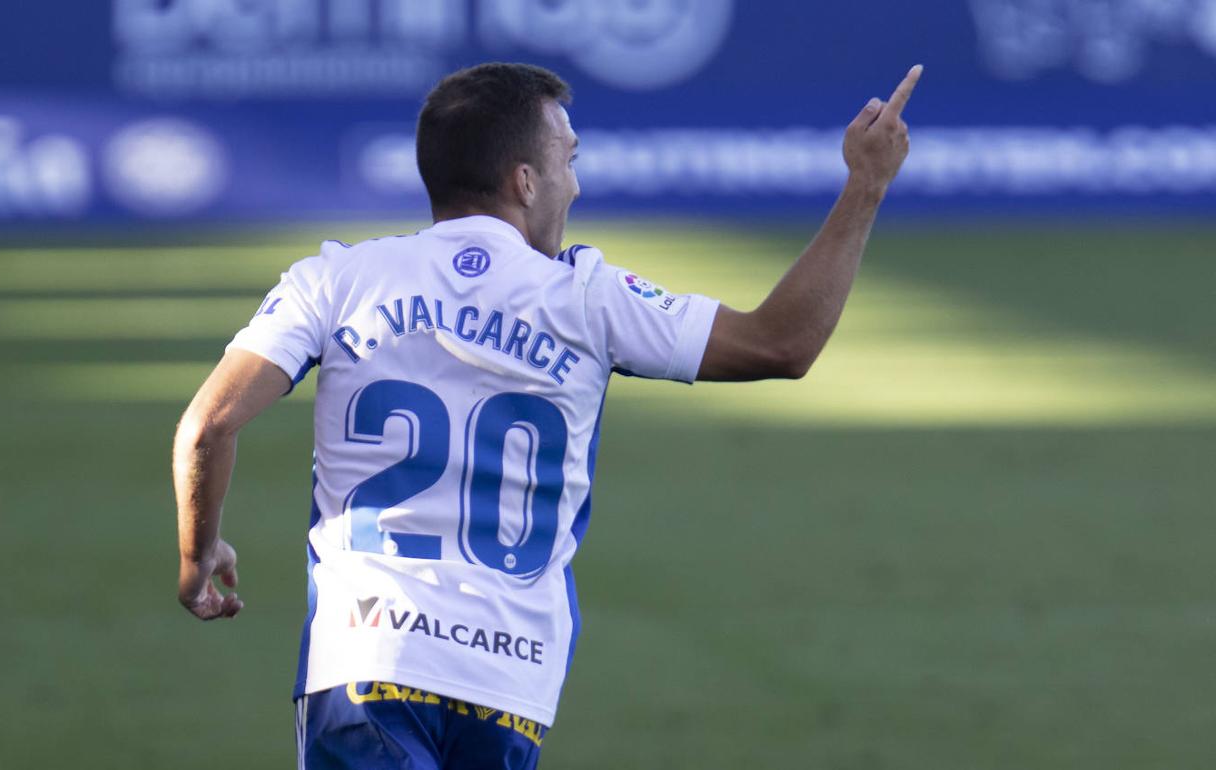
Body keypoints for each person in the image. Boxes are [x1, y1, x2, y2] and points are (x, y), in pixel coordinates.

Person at [172, 61, 921, 769]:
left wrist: (195, 555)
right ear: (524, 181)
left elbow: (209, 425)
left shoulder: (335, 280)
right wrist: (865, 187)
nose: (576, 182)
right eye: (568, 159)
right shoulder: (589, 298)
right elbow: (782, 343)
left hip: (367, 662)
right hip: (509, 685)